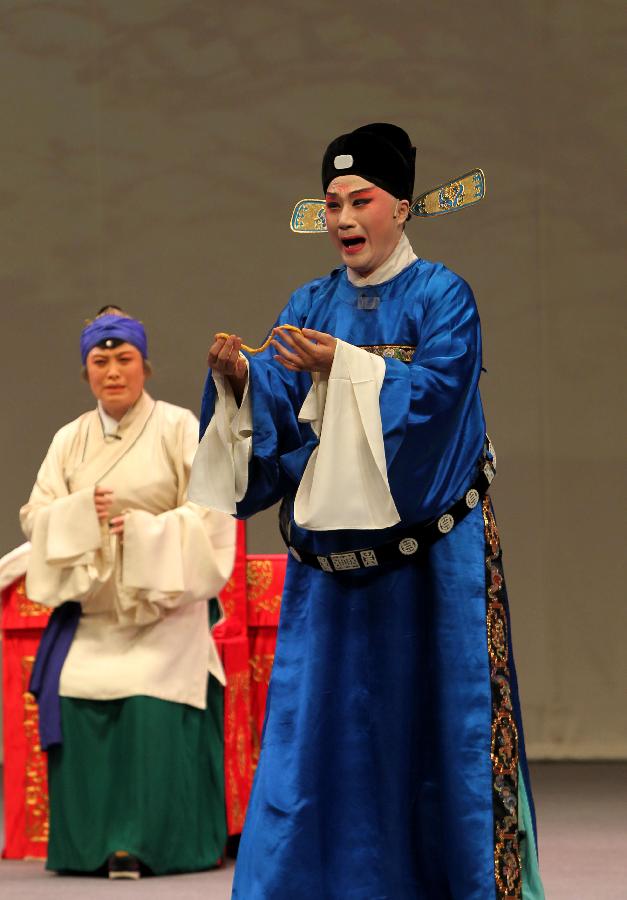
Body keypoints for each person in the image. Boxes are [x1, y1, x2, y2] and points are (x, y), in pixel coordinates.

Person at [189, 124, 544, 899]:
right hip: (331, 582)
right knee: (323, 751)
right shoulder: (310, 301)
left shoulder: (441, 296)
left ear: (402, 208)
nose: (343, 217)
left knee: (435, 748)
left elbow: (440, 405)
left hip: (430, 573)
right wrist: (243, 381)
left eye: (361, 200)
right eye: (330, 204)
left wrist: (345, 367)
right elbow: (281, 426)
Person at [20, 306, 236, 878]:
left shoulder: (178, 426)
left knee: (149, 709)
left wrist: (143, 532)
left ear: (145, 365)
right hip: (93, 616)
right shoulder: (69, 440)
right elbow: (35, 514)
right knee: (80, 696)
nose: (112, 371)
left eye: (124, 359)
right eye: (100, 361)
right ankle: (87, 846)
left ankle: (160, 845)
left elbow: (211, 507)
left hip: (163, 615)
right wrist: (75, 514)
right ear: (86, 370)